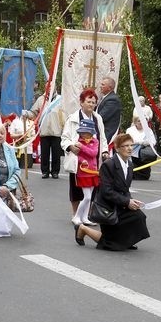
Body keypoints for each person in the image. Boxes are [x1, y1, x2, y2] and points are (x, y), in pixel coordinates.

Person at [75, 133, 149, 250]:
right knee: (110, 243)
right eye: (125, 146)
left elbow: (125, 189)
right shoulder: (108, 164)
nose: (130, 148)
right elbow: (106, 191)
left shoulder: (129, 164)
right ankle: (83, 229)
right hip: (107, 207)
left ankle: (125, 241)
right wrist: (126, 202)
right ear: (117, 148)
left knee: (139, 217)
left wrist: (131, 201)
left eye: (131, 145)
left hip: (120, 205)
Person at [60, 89, 108, 222]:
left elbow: (103, 138)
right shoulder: (73, 118)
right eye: (88, 102)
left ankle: (86, 215)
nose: (91, 105)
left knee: (93, 188)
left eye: (94, 102)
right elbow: (65, 138)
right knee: (76, 188)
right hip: (78, 159)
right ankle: (75, 214)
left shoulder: (98, 118)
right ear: (81, 102)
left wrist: (104, 151)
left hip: (93, 160)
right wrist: (71, 146)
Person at [71, 119, 101, 225]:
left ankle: (85, 217)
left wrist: (82, 147)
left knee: (90, 196)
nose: (83, 134)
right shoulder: (77, 141)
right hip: (83, 173)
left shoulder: (95, 141)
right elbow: (76, 156)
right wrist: (81, 160)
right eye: (82, 132)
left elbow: (93, 153)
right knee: (87, 196)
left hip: (93, 171)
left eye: (85, 132)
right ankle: (76, 216)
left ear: (91, 132)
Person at [30, 92, 64, 179]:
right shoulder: (41, 99)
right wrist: (27, 114)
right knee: (44, 152)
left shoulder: (60, 99)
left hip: (56, 130)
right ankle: (45, 171)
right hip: (44, 130)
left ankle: (55, 171)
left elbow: (64, 113)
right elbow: (34, 112)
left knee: (56, 153)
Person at [125, 115, 157, 181]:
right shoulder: (130, 130)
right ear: (135, 122)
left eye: (143, 121)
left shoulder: (148, 130)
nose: (141, 123)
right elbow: (129, 140)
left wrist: (142, 143)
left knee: (145, 176)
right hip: (132, 153)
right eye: (139, 121)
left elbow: (153, 141)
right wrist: (142, 142)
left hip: (144, 154)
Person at [96, 76, 122, 143]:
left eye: (103, 85)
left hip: (106, 134)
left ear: (109, 88)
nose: (100, 86)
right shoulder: (105, 98)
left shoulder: (113, 100)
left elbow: (101, 117)